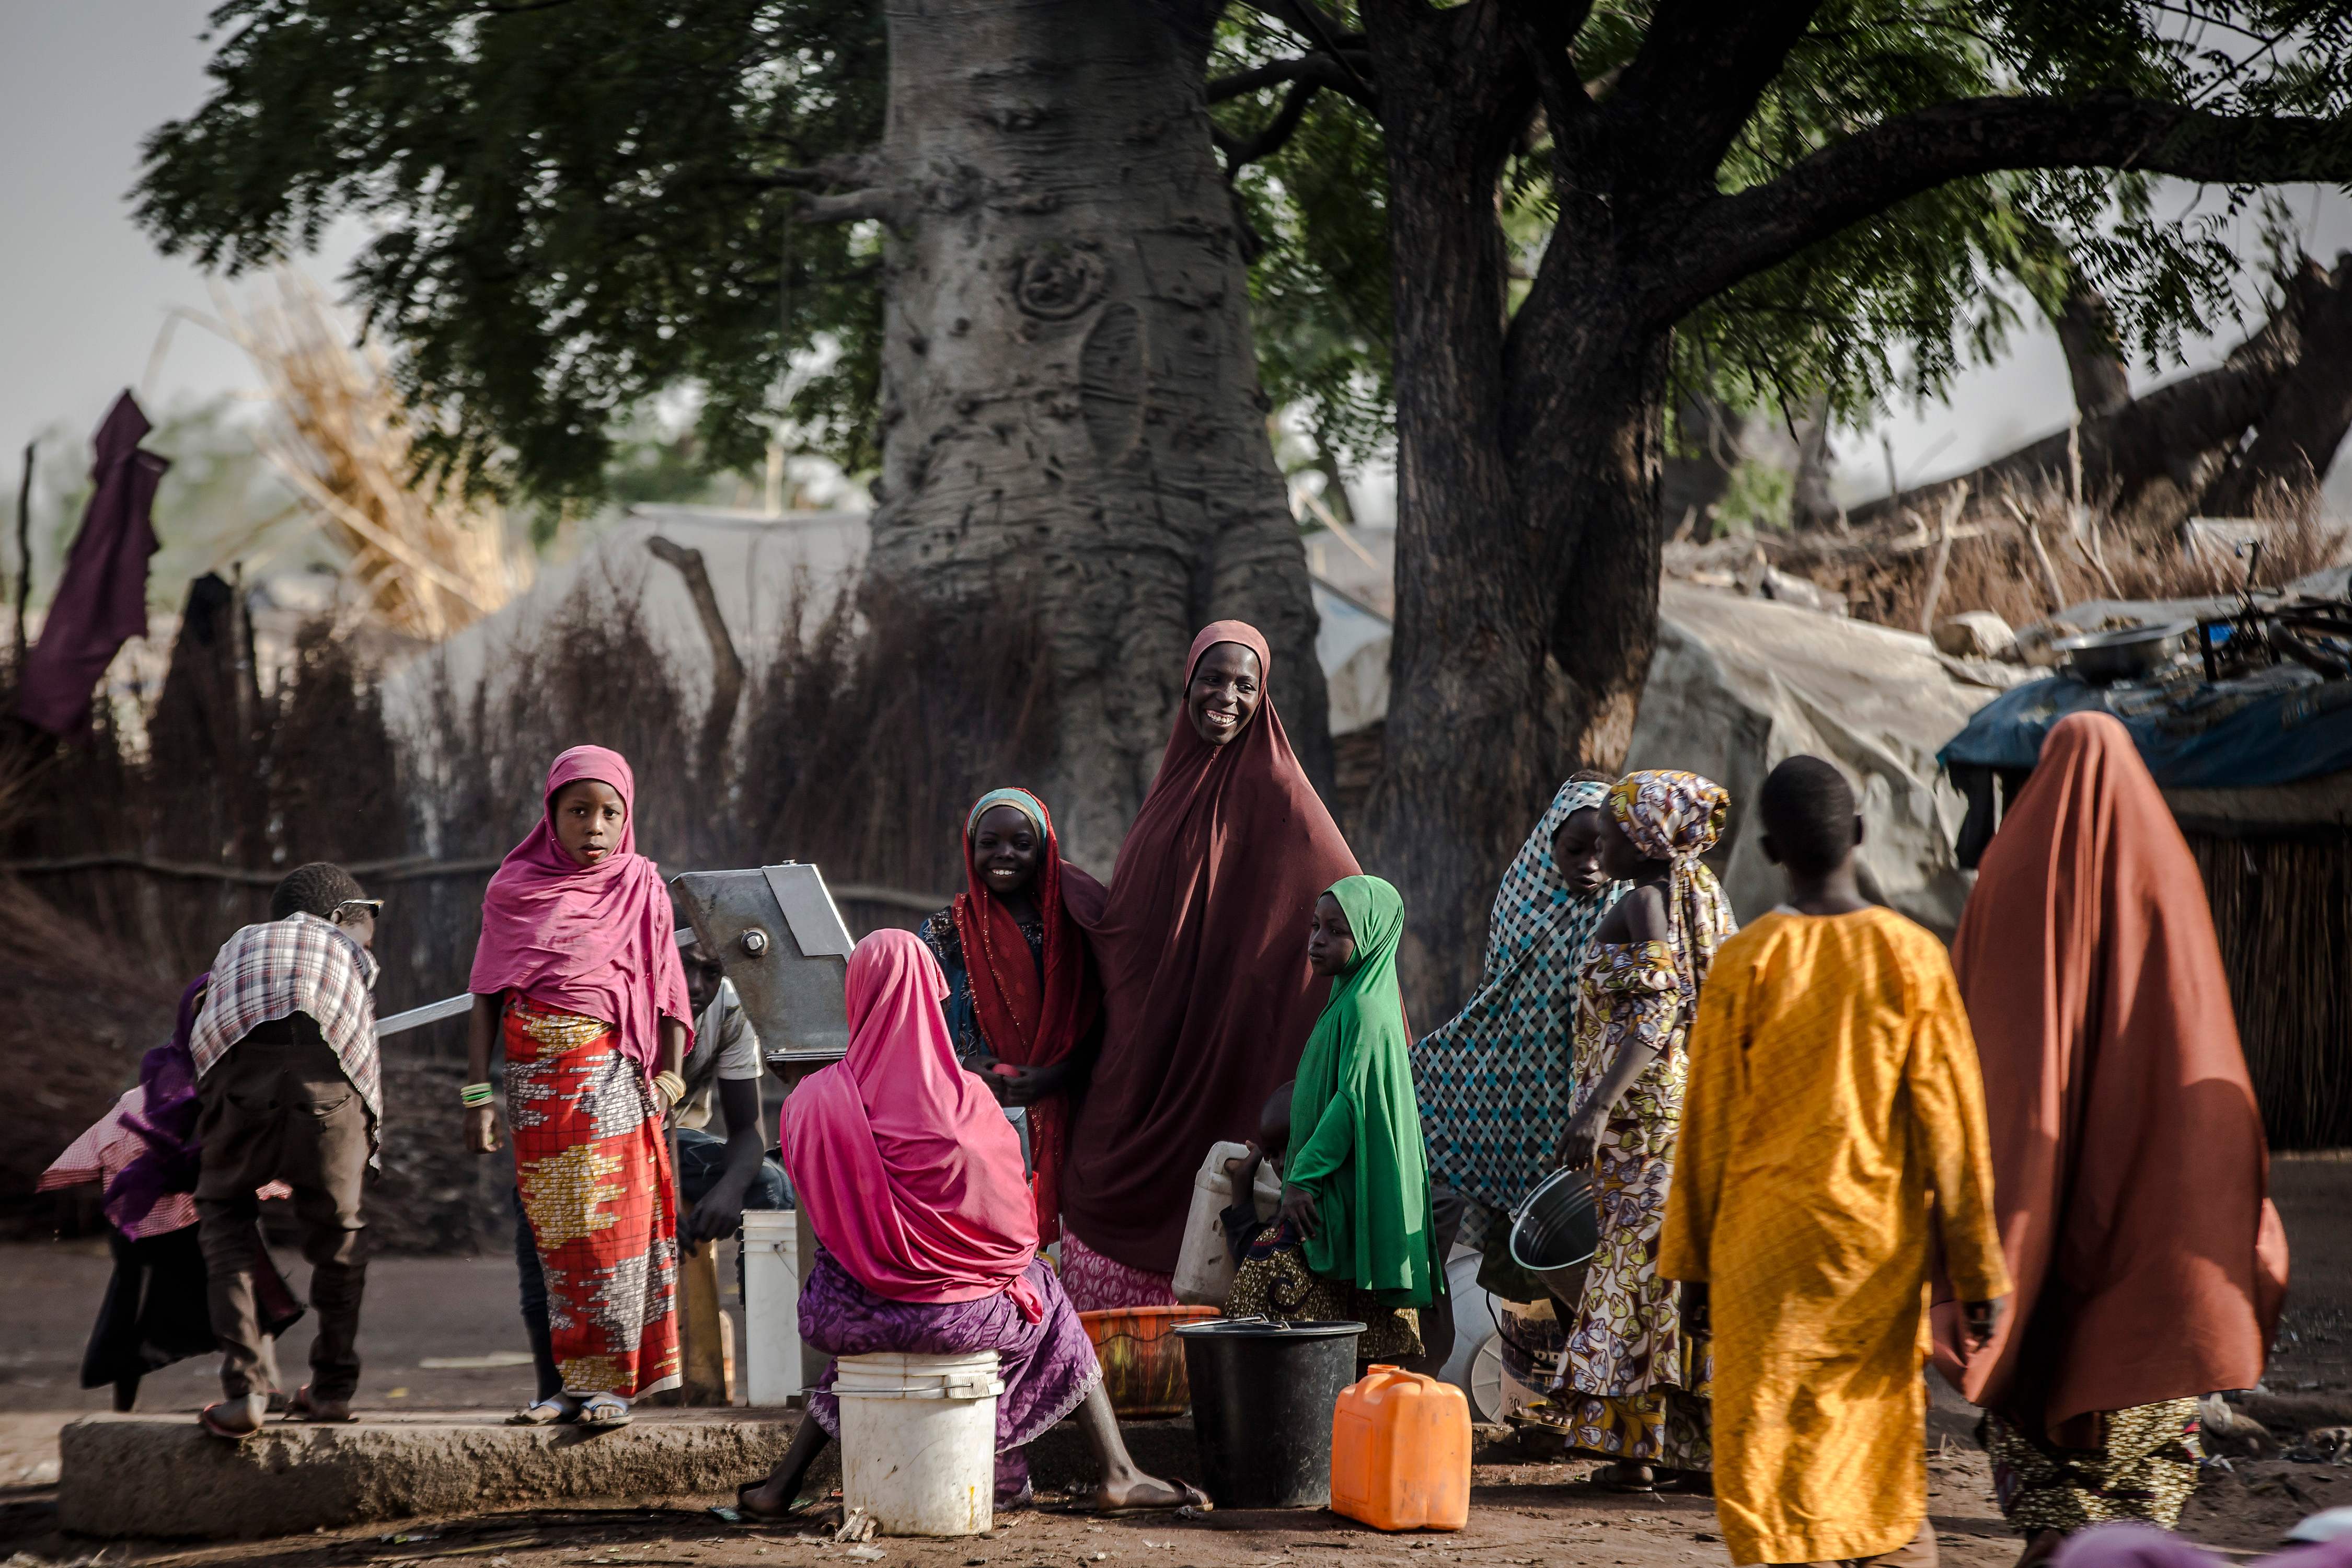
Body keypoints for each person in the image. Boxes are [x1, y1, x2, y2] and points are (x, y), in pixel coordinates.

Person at [1946, 713, 2288, 1562]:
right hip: (2151, 1199)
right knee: (2135, 1366)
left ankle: (2052, 1534)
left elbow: (1977, 1042)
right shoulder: (2165, 867)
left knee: (2040, 1342)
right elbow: (2197, 1028)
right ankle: (2115, 1541)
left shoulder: (2012, 871)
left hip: (2030, 1197)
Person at [1659, 755, 2012, 1566]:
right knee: (1869, 1426)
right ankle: (1877, 1544)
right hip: (1872, 1251)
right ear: (1859, 834)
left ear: (1771, 852)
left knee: (1767, 1439)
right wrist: (1977, 1270)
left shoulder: (1745, 963)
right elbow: (1953, 1132)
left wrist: (1692, 1274)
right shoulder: (1913, 955)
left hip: (1760, 1256)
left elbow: (1704, 1129)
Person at [735, 930, 1205, 1519]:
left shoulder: (811, 1102)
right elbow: (1015, 1238)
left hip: (845, 1312)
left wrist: (892, 1265)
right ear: (934, 995)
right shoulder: (970, 1104)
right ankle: (1116, 1471)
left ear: (854, 998)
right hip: (961, 1320)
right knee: (1043, 1291)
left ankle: (781, 1485)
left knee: (885, 1312)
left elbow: (830, 1220)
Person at [1061, 621, 1359, 1309]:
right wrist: (1069, 893)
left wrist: (1258, 982)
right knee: (1100, 1177)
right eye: (1213, 680)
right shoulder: (1170, 794)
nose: (1227, 697)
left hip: (1235, 1044)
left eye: (1245, 685)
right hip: (1150, 1052)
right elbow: (1137, 931)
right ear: (1187, 684)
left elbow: (1352, 913)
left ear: (1265, 697)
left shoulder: (1286, 797)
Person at [466, 745, 695, 1429]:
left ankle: (612, 1388)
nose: (594, 827)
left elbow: (667, 986)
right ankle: (560, 1386)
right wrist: (478, 1098)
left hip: (612, 1087)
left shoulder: (642, 886)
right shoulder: (513, 889)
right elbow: (486, 996)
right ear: (551, 814)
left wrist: (672, 1077)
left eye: (609, 813)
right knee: (550, 1243)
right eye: (579, 811)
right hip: (536, 1093)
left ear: (627, 820)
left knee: (613, 1241)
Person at [504, 933, 784, 1418]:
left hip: (675, 1141)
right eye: (685, 968)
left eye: (711, 974)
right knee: (538, 1208)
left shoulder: (730, 1011)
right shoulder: (611, 997)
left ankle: (774, 1369)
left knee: (770, 1184)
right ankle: (557, 1388)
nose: (696, 986)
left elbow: (747, 1132)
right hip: (591, 1145)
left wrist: (728, 1191)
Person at [1552, 769, 1737, 1493]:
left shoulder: (1644, 902)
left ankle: (1633, 1454)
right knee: (1665, 1266)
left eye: (1610, 836)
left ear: (1643, 840)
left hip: (1639, 1116)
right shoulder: (1688, 894)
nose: (1599, 849)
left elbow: (1656, 1016)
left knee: (1637, 1270)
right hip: (1663, 1110)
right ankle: (1687, 1448)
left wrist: (1596, 1111)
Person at [1413, 770, 1626, 1340]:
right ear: (1547, 844)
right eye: (1573, 849)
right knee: (1525, 1239)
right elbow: (1497, 993)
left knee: (1581, 1244)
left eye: (1601, 850)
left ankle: (1576, 1371)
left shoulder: (1625, 910)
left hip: (1580, 1101)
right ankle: (1530, 1377)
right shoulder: (1522, 892)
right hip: (1511, 1090)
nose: (1587, 864)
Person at [38, 976, 302, 1412]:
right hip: (157, 1218)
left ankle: (262, 1385)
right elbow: (122, 1147)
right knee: (147, 1307)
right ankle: (256, 1387)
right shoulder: (163, 1086)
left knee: (251, 1295)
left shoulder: (230, 1080)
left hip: (196, 1206)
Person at [187, 862, 383, 1437]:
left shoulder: (243, 941)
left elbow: (205, 1017)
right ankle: (331, 1390)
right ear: (341, 916)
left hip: (241, 1081)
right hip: (328, 1088)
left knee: (225, 1215)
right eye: (366, 920)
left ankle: (246, 1391)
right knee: (339, 1233)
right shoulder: (346, 949)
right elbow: (359, 1046)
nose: (371, 931)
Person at [1225, 876, 1437, 1367]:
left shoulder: (1365, 1009)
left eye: (1336, 931)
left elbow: (1351, 1102)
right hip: (1336, 1184)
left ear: (1369, 937)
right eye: (1315, 926)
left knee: (1262, 1280)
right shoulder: (1349, 998)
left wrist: (1304, 1177)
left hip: (1328, 1186)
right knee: (1341, 1326)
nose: (1316, 940)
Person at [917, 787, 1104, 1242]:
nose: (1005, 854)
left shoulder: (1073, 930)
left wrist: (1055, 1075)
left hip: (1070, 1115)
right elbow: (918, 1027)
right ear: (971, 846)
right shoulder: (942, 931)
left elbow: (1104, 1025)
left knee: (1061, 1251)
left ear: (1043, 850)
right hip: (969, 1123)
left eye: (1021, 844)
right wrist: (963, 1067)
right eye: (990, 843)